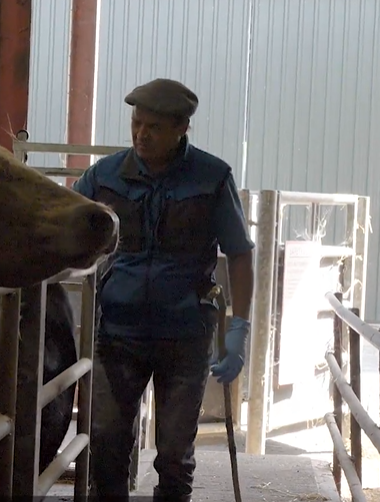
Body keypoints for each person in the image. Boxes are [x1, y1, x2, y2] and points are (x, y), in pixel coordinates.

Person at [71, 78, 256, 502]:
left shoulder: (212, 178)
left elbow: (241, 255)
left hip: (184, 334)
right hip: (117, 333)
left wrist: (238, 330)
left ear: (181, 129)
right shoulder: (104, 177)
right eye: (136, 123)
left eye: (153, 127)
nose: (141, 134)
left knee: (174, 453)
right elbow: (66, 221)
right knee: (106, 443)